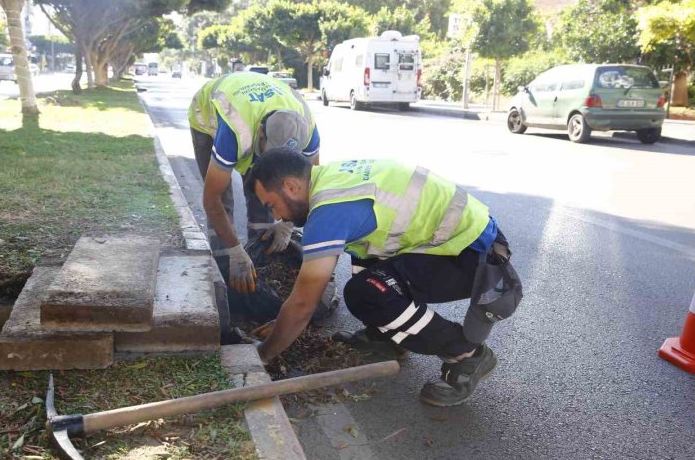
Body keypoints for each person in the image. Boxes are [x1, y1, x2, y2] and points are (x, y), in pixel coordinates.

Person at [246, 148, 522, 407]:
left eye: (272, 205)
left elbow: (304, 304)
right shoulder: (333, 180)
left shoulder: (329, 212)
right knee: (363, 253)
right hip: (459, 240)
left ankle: (467, 354)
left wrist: (264, 353)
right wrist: (285, 321)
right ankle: (385, 337)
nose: (278, 216)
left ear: (291, 187)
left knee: (365, 292)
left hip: (473, 256)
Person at [188, 71, 322, 294]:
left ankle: (260, 269)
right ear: (260, 132)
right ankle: (226, 275)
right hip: (207, 119)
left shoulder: (307, 133)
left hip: (258, 107)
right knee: (223, 199)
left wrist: (287, 225)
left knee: (265, 197)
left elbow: (312, 188)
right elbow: (211, 199)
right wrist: (235, 252)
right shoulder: (234, 131)